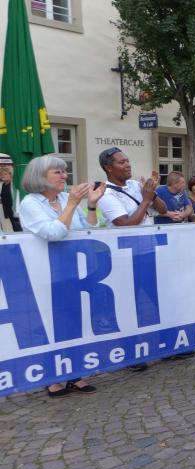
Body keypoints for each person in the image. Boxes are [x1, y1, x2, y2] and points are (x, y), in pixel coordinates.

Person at [17, 155, 106, 397]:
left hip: (73, 271)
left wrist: (91, 206)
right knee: (51, 325)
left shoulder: (66, 199)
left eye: (65, 171)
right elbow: (54, 233)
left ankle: (75, 374)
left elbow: (89, 230)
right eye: (58, 172)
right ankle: (52, 376)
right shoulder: (31, 203)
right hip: (46, 273)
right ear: (40, 176)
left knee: (74, 323)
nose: (65, 176)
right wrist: (72, 205)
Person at [97, 146, 166, 371]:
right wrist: (145, 200)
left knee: (160, 299)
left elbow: (162, 210)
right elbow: (125, 224)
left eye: (127, 160)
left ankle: (169, 343)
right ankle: (130, 353)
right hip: (124, 259)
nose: (127, 165)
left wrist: (153, 193)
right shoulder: (106, 194)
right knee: (128, 305)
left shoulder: (136, 185)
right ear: (108, 168)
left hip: (148, 252)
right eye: (121, 162)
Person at [0, 153, 22, 232]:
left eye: (5, 174)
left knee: (18, 225)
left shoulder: (13, 185)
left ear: (10, 175)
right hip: (8, 210)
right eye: (1, 175)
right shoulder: (3, 185)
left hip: (15, 209)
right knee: (14, 226)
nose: (2, 176)